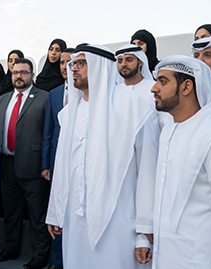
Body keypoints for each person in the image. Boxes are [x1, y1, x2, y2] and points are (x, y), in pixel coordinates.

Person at [46, 44, 158, 268]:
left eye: (81, 63)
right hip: (74, 218)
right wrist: (55, 213)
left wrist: (144, 232)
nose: (73, 69)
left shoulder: (131, 106)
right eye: (73, 64)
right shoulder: (69, 112)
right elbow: (61, 166)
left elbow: (147, 170)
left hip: (118, 221)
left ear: (100, 67)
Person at [150, 55, 211, 268]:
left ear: (186, 87)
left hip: (201, 258)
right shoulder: (168, 130)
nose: (154, 88)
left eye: (163, 81)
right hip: (166, 256)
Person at [0, 58, 50, 269]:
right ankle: (10, 248)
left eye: (24, 72)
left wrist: (46, 164)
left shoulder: (44, 98)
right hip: (6, 165)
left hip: (34, 167)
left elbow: (48, 133)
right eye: (15, 72)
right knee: (11, 212)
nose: (19, 76)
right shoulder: (2, 100)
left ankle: (40, 255)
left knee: (37, 215)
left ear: (32, 75)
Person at [40, 47, 74, 269]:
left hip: (79, 161)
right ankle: (58, 258)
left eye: (69, 63)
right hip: (56, 162)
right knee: (57, 210)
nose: (64, 67)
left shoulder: (89, 92)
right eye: (61, 63)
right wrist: (45, 164)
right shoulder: (53, 93)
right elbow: (48, 132)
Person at [115, 44, 172, 136]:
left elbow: (166, 124)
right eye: (120, 61)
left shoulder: (155, 88)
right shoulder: (114, 92)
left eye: (129, 60)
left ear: (140, 62)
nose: (123, 64)